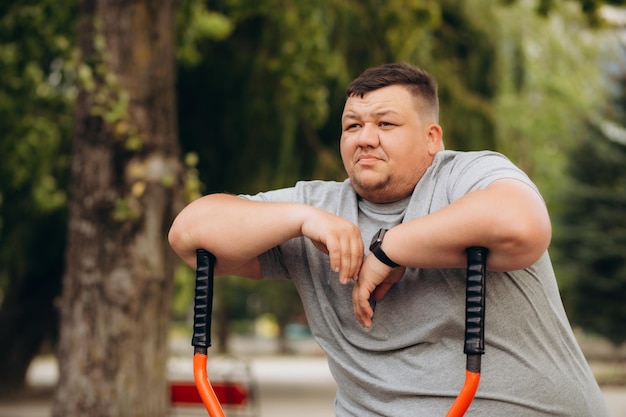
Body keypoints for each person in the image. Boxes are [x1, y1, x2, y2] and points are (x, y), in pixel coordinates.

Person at [168, 63, 609, 416]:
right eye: (352, 126)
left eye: (386, 123)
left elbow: (522, 225)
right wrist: (302, 218)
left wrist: (389, 247)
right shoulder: (316, 207)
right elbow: (190, 234)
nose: (366, 139)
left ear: (432, 138)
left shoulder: (468, 177)